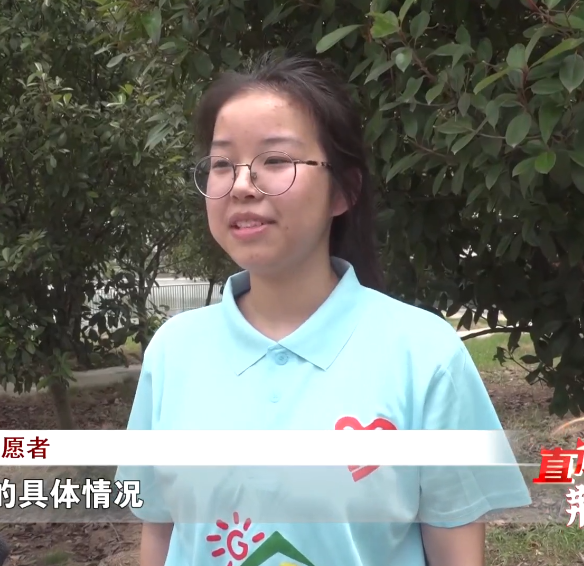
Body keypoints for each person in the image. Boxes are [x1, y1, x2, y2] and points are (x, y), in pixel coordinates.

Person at [115, 52, 531, 566]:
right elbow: (160, 534)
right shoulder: (173, 352)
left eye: (275, 160)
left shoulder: (424, 356)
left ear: (344, 191)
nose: (241, 185)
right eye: (222, 164)